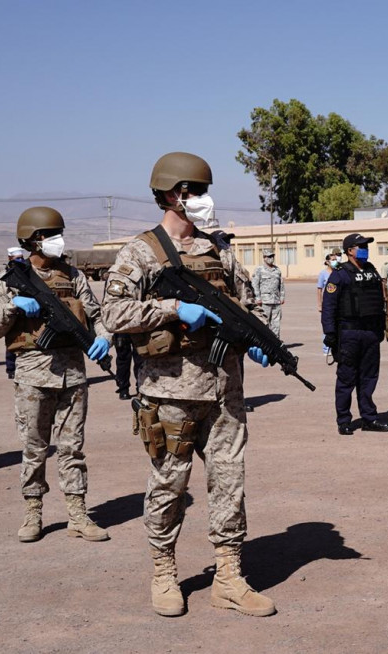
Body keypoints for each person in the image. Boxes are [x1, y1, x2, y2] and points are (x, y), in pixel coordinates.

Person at [101, 152, 275, 617]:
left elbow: (247, 304)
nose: (203, 199)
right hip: (170, 393)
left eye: (202, 190)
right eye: (195, 191)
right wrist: (174, 309)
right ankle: (163, 571)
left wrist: (254, 339)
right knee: (169, 486)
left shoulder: (219, 250)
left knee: (229, 483)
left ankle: (229, 576)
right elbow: (114, 315)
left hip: (225, 393)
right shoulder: (140, 252)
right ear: (172, 195)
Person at [0, 206, 112, 542]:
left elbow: (98, 315)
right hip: (33, 376)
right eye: (50, 236)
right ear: (34, 240)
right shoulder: (9, 281)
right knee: (34, 449)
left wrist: (104, 338)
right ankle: (33, 513)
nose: (58, 241)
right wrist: (14, 306)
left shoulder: (74, 277)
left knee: (73, 448)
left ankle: (77, 514)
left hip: (73, 375)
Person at [321, 233, 388, 435]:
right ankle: (344, 420)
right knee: (346, 378)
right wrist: (330, 333)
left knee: (369, 377)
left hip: (370, 333)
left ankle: (369, 418)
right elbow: (329, 307)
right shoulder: (340, 274)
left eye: (366, 246)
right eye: (361, 246)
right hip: (349, 334)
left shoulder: (371, 271)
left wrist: (381, 330)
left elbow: (380, 302)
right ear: (350, 250)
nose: (365, 249)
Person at [4, 247, 26, 379]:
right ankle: (11, 369)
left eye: (21, 257)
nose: (20, 260)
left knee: (26, 342)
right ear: (10, 258)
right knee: (12, 343)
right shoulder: (5, 275)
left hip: (26, 314)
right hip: (12, 311)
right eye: (17, 258)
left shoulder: (26, 271)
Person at [251, 248, 285, 338]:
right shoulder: (259, 270)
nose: (271, 258)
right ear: (264, 257)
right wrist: (257, 298)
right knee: (264, 322)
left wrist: (282, 296)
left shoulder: (277, 270)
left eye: (272, 256)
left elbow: (281, 284)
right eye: (269, 256)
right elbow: (255, 284)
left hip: (276, 301)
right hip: (264, 302)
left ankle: (276, 341)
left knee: (276, 323)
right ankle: (265, 341)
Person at [317, 250, 341, 356]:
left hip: (339, 304)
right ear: (327, 262)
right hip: (327, 305)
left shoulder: (339, 272)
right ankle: (326, 348)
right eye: (332, 260)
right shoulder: (323, 274)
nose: (335, 261)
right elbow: (319, 289)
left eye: (336, 259)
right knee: (328, 326)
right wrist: (319, 304)